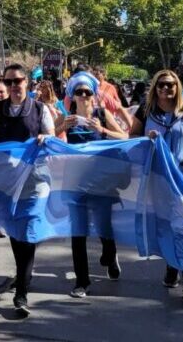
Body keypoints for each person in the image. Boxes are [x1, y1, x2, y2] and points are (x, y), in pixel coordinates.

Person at [0, 64, 54, 317]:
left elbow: (51, 135)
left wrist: (46, 138)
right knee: (16, 234)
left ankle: (22, 292)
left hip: (34, 181)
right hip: (5, 182)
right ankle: (22, 273)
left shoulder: (40, 109)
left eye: (18, 80)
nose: (14, 85)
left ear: (27, 82)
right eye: (9, 81)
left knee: (27, 233)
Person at [130, 69, 183, 300]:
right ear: (155, 88)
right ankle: (171, 266)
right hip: (157, 179)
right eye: (161, 85)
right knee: (166, 225)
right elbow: (132, 137)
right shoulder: (146, 110)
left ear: (178, 87)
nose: (166, 89)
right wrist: (146, 140)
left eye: (170, 85)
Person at [56, 71, 128, 297]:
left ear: (93, 95)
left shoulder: (101, 113)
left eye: (87, 92)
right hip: (75, 183)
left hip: (102, 183)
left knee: (104, 227)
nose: (84, 95)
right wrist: (60, 128)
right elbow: (47, 138)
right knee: (78, 232)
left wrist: (102, 130)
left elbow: (125, 138)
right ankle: (82, 281)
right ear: (73, 96)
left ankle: (110, 253)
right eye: (79, 92)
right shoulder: (66, 117)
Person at [93, 65, 133, 131]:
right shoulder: (91, 87)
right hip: (95, 118)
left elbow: (118, 102)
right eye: (94, 74)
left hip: (109, 119)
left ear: (104, 75)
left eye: (97, 74)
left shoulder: (110, 87)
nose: (95, 76)